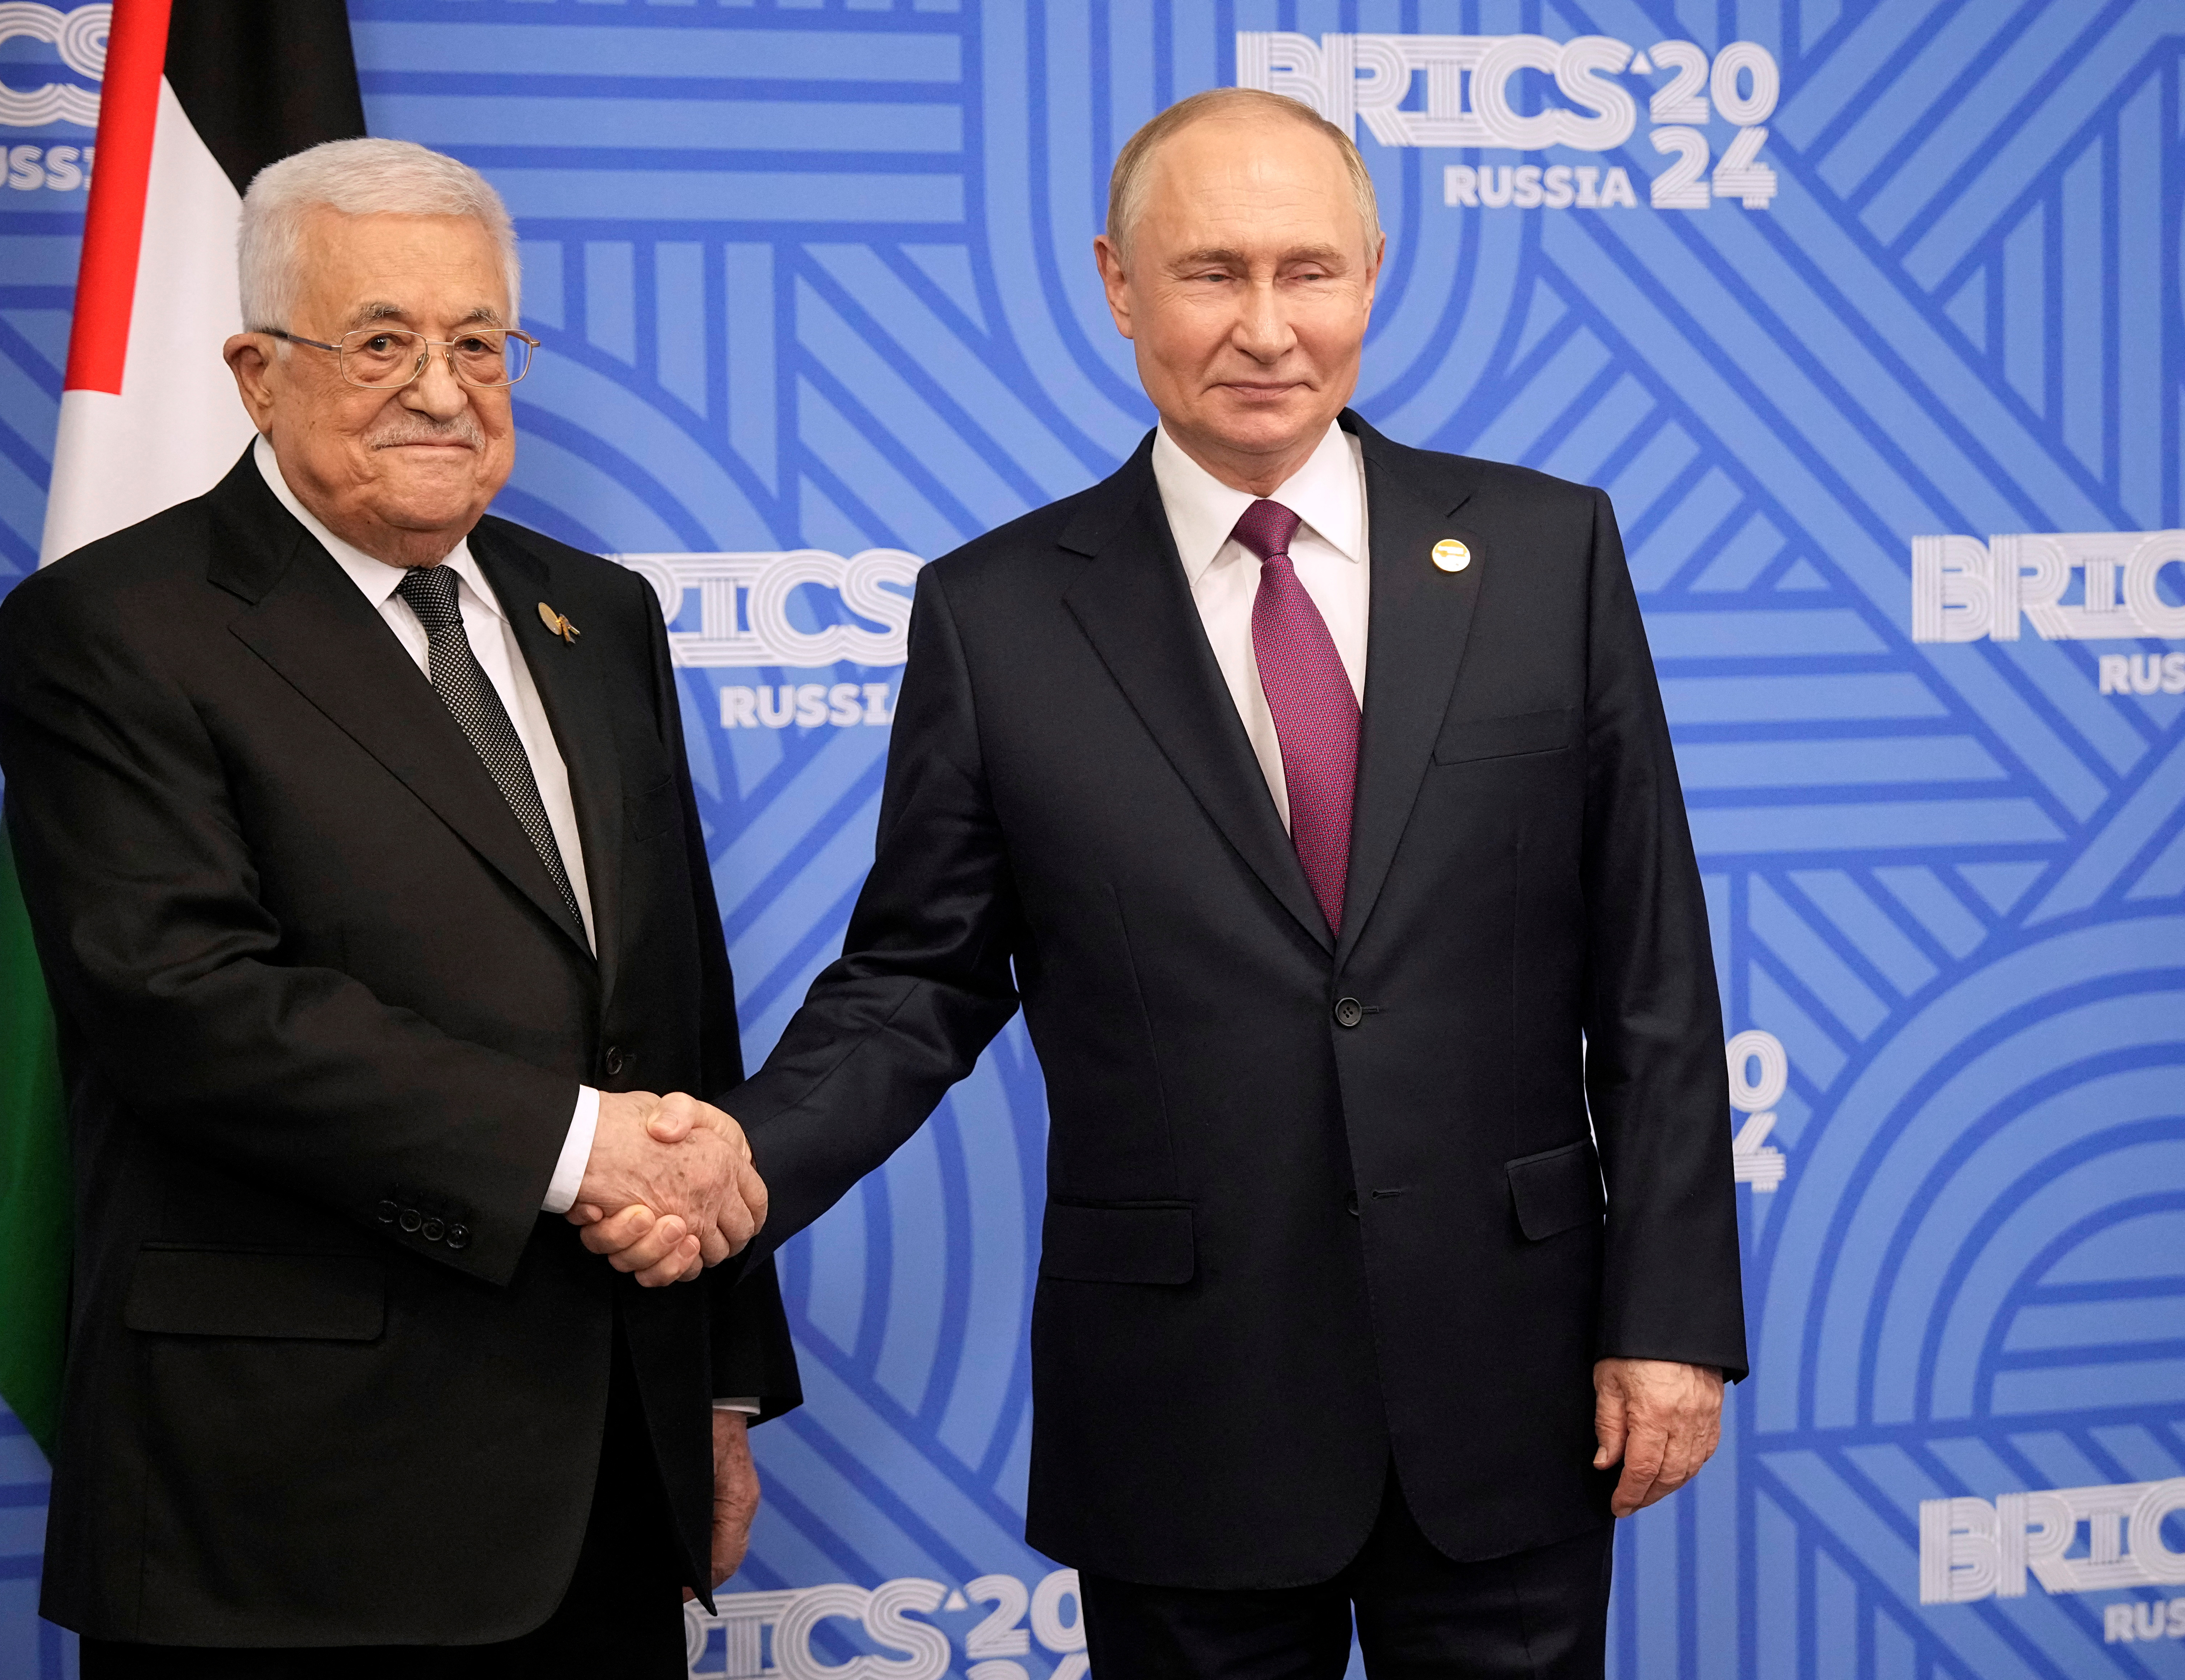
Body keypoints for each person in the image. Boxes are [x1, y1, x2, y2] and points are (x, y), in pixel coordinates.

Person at [586, 88, 1747, 1677]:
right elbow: (920, 981)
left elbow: (1653, 975)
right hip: (1187, 1404)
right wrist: (738, 1160)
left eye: (1306, 272)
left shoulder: (1550, 554)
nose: (1265, 328)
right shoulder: (996, 613)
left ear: (1373, 274)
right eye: (1209, 273)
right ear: (1116, 285)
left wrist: (1671, 1316)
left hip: (1512, 1386)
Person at [0, 138, 791, 1677]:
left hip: (609, 1488)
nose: (442, 387)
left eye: (478, 341)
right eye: (379, 341)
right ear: (252, 371)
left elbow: (675, 1015)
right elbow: (188, 1003)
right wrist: (579, 1148)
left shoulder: (596, 613)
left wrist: (717, 1385)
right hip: (291, 1508)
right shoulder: (110, 632)